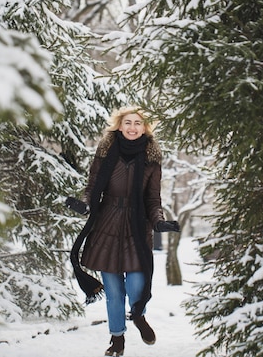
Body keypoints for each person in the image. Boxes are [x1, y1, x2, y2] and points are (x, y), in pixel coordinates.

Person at [69, 106, 180, 357]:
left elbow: (153, 199)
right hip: (106, 224)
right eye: (128, 122)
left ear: (145, 128)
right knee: (115, 291)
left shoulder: (152, 160)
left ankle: (138, 314)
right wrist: (84, 205)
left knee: (137, 286)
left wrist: (159, 222)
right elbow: (93, 188)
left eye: (138, 123)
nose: (132, 127)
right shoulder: (105, 153)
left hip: (137, 228)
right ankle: (117, 338)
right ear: (119, 125)